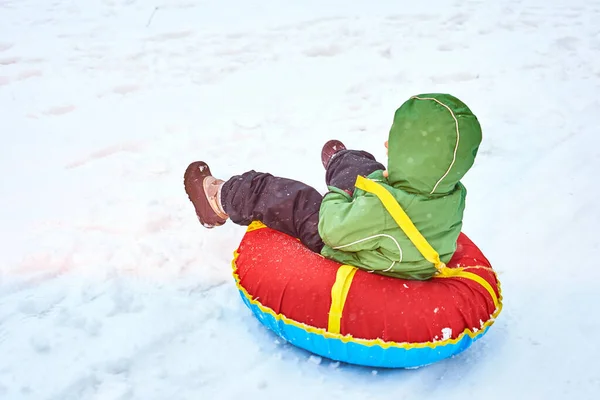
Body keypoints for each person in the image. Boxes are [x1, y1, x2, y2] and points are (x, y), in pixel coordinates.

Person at [184, 93, 482, 280]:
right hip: (393, 240)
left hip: (355, 254)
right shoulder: (452, 192)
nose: (387, 143)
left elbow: (332, 229)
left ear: (414, 157)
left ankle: (218, 200)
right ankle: (343, 161)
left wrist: (340, 195)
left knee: (293, 197)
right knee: (367, 170)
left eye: (399, 144)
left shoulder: (379, 211)